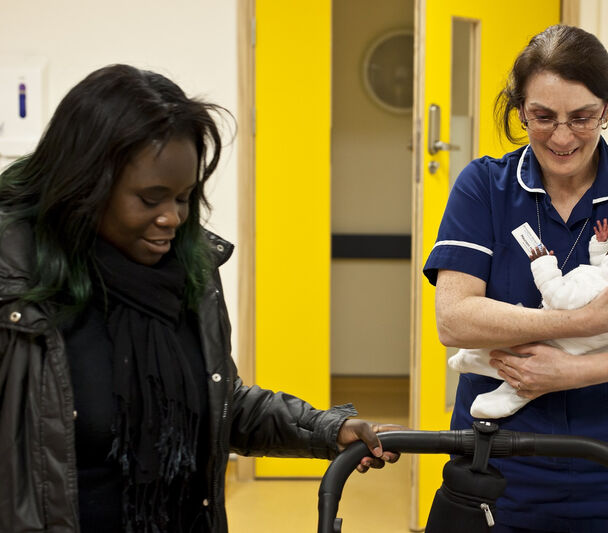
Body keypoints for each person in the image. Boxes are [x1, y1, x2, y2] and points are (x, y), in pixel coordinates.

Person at [0, 64, 402, 533]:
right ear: (86, 184)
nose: (172, 218)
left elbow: (217, 403)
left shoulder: (188, 273)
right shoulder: (17, 289)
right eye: (150, 199)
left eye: (184, 197)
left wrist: (327, 429)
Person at [423, 25, 608, 533]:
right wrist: (587, 318)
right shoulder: (485, 186)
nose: (562, 137)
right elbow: (453, 319)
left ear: (607, 109)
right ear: (520, 110)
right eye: (543, 117)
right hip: (500, 462)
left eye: (582, 117)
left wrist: (575, 372)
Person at [449, 220, 608, 419]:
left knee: (509, 361)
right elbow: (603, 268)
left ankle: (470, 362)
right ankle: (482, 377)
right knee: (516, 377)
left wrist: (543, 264)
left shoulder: (599, 286)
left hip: (558, 343)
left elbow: (559, 295)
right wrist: (602, 245)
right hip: (582, 349)